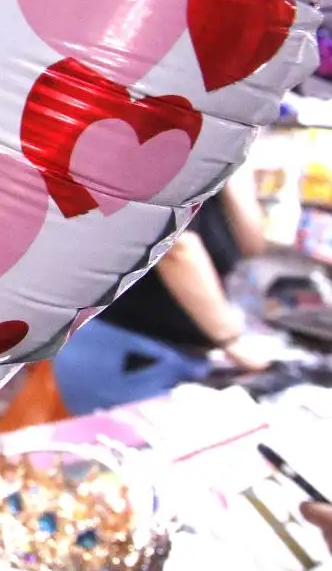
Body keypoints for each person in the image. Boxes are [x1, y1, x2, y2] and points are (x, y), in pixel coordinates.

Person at [53, 167, 271, 416]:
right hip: (124, 350)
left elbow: (254, 245)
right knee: (132, 448)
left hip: (175, 352)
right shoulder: (167, 163)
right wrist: (231, 340)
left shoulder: (217, 172)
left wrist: (237, 173)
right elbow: (177, 250)